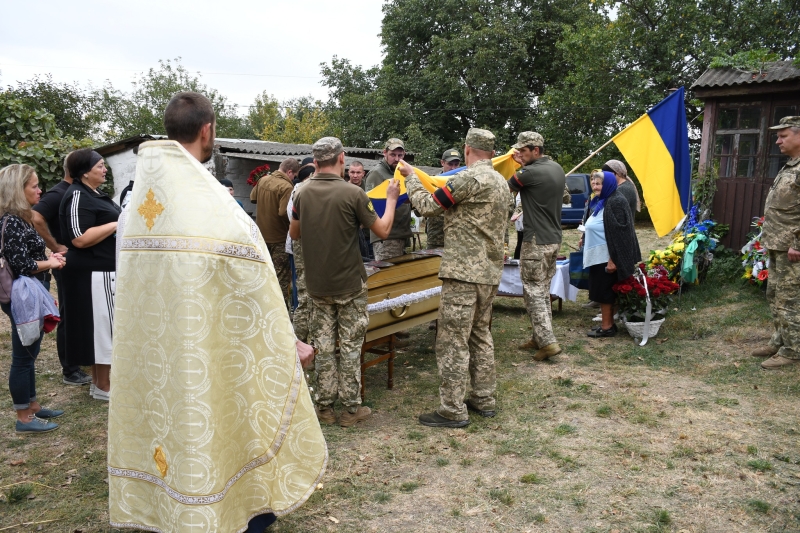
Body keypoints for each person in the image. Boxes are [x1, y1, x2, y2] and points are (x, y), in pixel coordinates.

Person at [108, 92, 326, 532]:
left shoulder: (136, 207)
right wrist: (288, 342)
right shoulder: (213, 207)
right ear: (208, 130)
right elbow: (257, 288)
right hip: (213, 352)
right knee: (223, 429)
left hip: (155, 355)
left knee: (171, 430)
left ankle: (171, 512)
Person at [401, 128, 511, 428]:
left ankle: (452, 409)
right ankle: (484, 398)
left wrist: (411, 176)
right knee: (480, 336)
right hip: (489, 273)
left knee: (452, 341)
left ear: (467, 150)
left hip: (463, 274)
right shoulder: (501, 183)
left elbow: (427, 207)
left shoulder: (467, 179)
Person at [290, 136, 399, 427]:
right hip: (350, 284)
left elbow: (295, 233)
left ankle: (324, 408)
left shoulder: (301, 193)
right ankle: (351, 410)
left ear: (315, 162)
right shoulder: (353, 194)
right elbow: (384, 231)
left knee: (324, 346)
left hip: (317, 285)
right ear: (341, 159)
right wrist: (390, 199)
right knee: (350, 346)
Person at [0, 164, 67, 433]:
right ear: (18, 189)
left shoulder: (20, 218)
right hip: (21, 295)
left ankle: (33, 405)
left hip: (29, 292)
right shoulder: (12, 221)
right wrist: (50, 262)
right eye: (34, 186)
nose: (40, 190)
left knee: (31, 350)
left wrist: (49, 260)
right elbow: (22, 264)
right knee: (23, 355)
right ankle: (24, 418)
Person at [59, 149, 120, 401]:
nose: (104, 170)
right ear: (85, 172)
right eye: (100, 166)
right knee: (102, 329)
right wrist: (118, 223)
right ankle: (104, 386)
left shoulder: (94, 194)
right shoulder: (76, 195)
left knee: (102, 329)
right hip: (92, 272)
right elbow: (79, 239)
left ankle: (99, 383)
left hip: (103, 270)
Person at [30, 152, 91, 387]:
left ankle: (79, 359)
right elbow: (36, 216)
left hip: (79, 264)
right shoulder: (59, 192)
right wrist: (55, 245)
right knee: (69, 314)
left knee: (80, 312)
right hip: (65, 263)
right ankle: (70, 370)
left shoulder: (77, 191)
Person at [509, 131, 567, 361]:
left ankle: (548, 342)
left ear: (536, 150)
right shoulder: (557, 168)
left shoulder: (530, 172)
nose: (519, 155)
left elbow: (506, 188)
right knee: (542, 289)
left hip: (535, 240)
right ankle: (538, 336)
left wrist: (517, 167)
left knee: (533, 291)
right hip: (553, 238)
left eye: (523, 151)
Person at [755, 116, 800, 369]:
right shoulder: (791, 166)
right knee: (775, 295)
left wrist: (798, 243)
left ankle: (793, 351)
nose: (778, 140)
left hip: (792, 248)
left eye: (783, 135)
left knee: (789, 300)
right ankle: (780, 340)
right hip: (778, 243)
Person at [583, 170, 641, 337]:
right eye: (593, 183)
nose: (595, 186)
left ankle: (607, 327)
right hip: (598, 255)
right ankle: (608, 324)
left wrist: (613, 259)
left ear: (608, 184)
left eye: (599, 183)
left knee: (605, 292)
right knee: (601, 291)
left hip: (607, 256)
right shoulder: (604, 200)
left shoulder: (615, 201)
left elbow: (620, 233)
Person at [249, 158, 300, 311]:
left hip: (262, 238)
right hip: (279, 238)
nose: (294, 178)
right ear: (289, 172)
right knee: (281, 280)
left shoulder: (263, 179)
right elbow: (284, 212)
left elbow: (253, 198)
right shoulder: (286, 186)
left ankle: (261, 309)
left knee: (264, 276)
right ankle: (280, 313)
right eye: (294, 175)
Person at [365, 138, 412, 260]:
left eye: (400, 155)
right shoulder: (376, 174)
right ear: (384, 153)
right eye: (392, 155)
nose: (396, 159)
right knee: (388, 276)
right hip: (386, 238)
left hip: (402, 234)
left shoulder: (403, 171)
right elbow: (370, 206)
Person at [425, 148, 461, 249]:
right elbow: (421, 209)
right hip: (436, 237)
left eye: (456, 164)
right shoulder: (432, 182)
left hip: (457, 238)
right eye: (450, 164)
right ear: (442, 162)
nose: (453, 168)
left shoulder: (463, 183)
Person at [348, 161, 373, 259]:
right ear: (348, 173)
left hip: (368, 235)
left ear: (363, 173)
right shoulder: (343, 188)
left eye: (358, 172)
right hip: (350, 236)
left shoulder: (369, 188)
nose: (355, 175)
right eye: (352, 172)